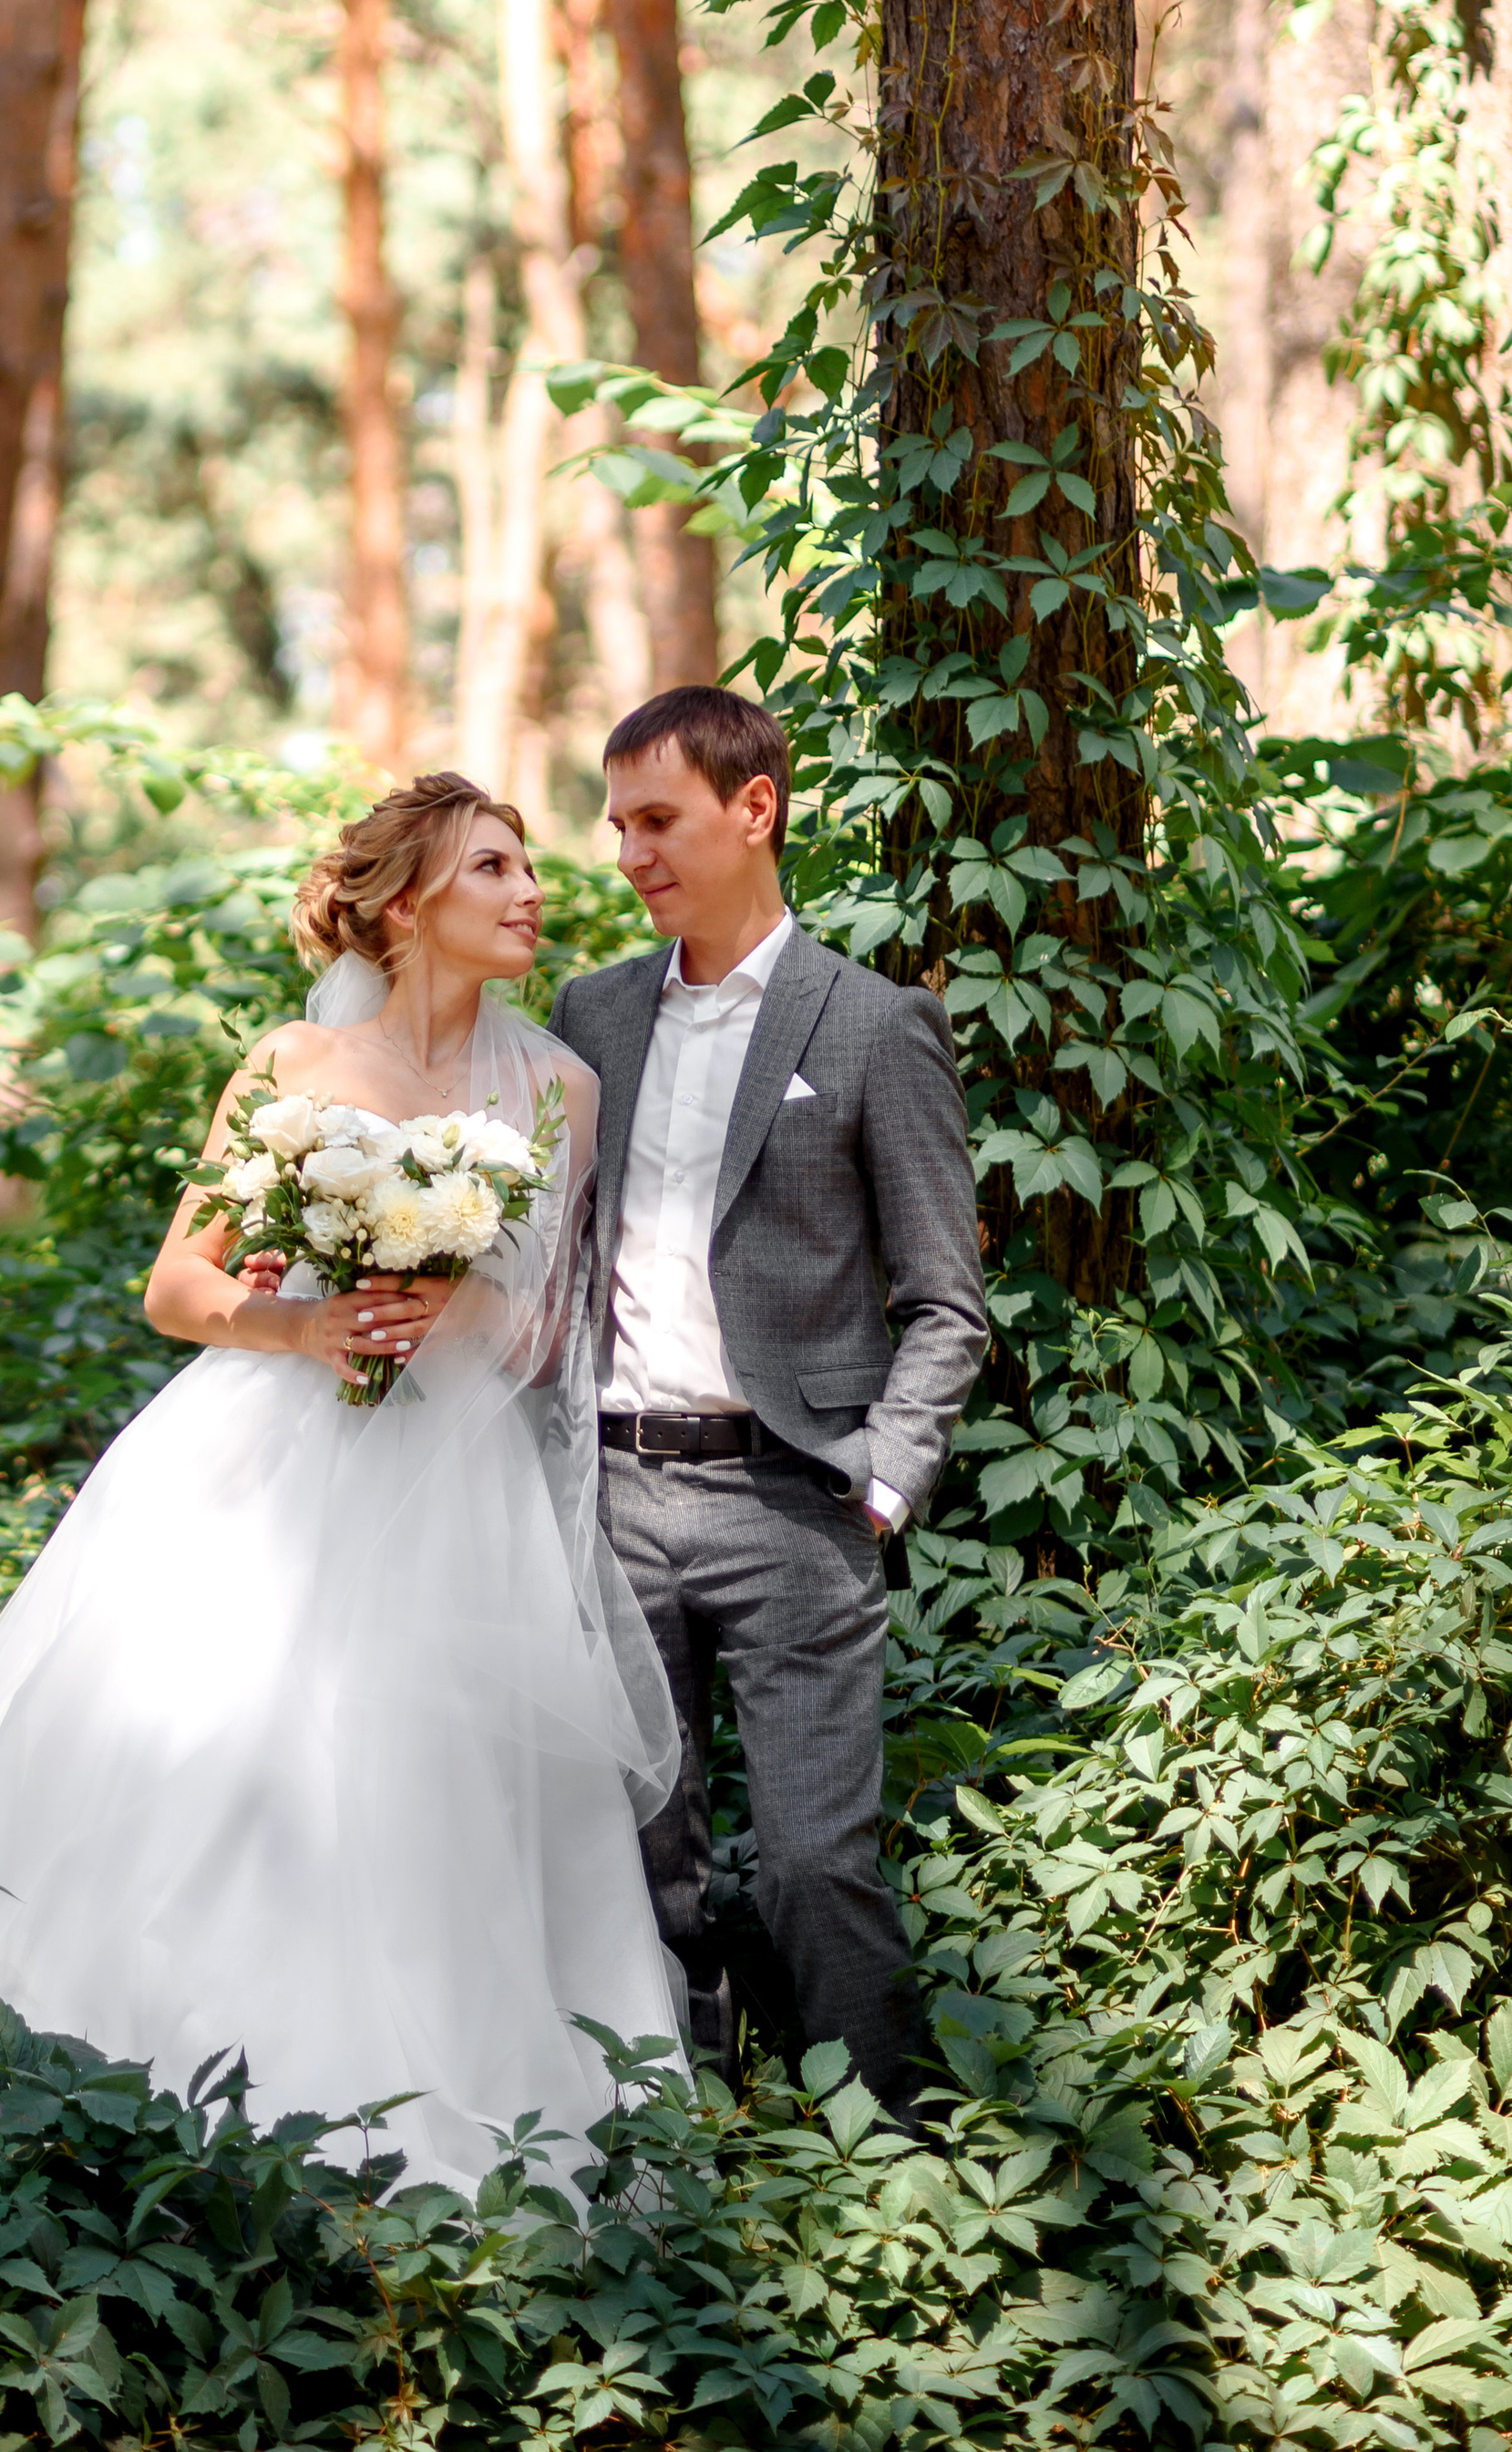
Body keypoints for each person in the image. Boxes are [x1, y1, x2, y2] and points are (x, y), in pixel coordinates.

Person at [0, 773, 685, 2198]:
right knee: (227, 1753)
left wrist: (453, 1307)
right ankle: (155, 2100)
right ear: (407, 906)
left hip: (462, 1491)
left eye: (529, 868)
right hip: (266, 1456)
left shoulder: (561, 1087)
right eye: (494, 869)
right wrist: (305, 1321)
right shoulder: (291, 1067)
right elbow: (177, 1285)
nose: (533, 893)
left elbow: (553, 1331)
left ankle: (442, 2135)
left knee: (431, 1791)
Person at [549, 687, 988, 2124]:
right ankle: (682, 2152)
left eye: (657, 818)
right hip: (613, 1496)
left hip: (796, 1504)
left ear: (757, 808)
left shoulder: (872, 1025)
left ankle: (898, 2153)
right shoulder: (592, 1015)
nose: (629, 853)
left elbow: (946, 1304)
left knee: (815, 1862)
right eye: (617, 823)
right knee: (638, 1854)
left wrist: (882, 1479)